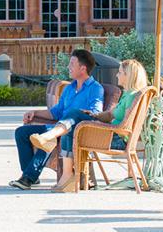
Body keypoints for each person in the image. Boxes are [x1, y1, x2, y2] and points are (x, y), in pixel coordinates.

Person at [30, 59, 149, 191]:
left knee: (74, 116)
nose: (117, 75)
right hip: (113, 135)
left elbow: (125, 124)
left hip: (115, 139)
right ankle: (66, 174)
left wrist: (101, 125)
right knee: (73, 123)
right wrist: (94, 115)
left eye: (120, 72)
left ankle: (51, 140)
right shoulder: (128, 94)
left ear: (129, 75)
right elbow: (110, 115)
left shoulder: (132, 96)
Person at [10, 49, 104, 191]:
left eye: (72, 64)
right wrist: (35, 112)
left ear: (83, 68)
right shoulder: (69, 88)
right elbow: (56, 112)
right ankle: (30, 175)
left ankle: (28, 178)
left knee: (49, 139)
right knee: (21, 133)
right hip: (56, 128)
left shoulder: (95, 88)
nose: (68, 67)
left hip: (74, 131)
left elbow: (96, 113)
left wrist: (77, 114)